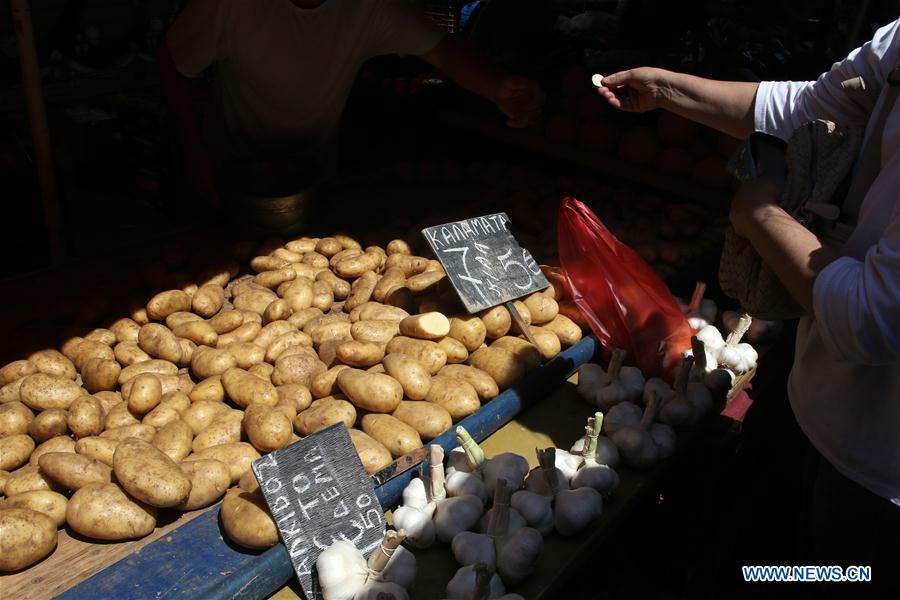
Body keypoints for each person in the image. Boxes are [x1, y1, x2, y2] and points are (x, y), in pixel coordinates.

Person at [597, 18, 899, 597]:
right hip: (819, 406)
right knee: (769, 565)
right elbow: (811, 104)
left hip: (880, 481)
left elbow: (873, 317)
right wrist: (667, 90)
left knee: (838, 577)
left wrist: (757, 213)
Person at [159, 0, 545, 206]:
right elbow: (174, 64)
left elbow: (444, 51)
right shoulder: (230, 5)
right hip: (228, 177)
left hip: (314, 181)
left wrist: (501, 88)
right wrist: (196, 158)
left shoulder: (366, 6)